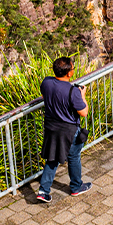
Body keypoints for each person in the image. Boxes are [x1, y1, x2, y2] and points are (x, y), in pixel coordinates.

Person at [37, 57, 92, 204]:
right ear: (69, 73)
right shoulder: (72, 91)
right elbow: (84, 112)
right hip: (68, 130)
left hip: (51, 127)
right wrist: (82, 96)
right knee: (73, 156)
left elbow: (44, 96)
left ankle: (43, 191)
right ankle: (76, 187)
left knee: (52, 157)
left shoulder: (46, 82)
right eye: (73, 68)